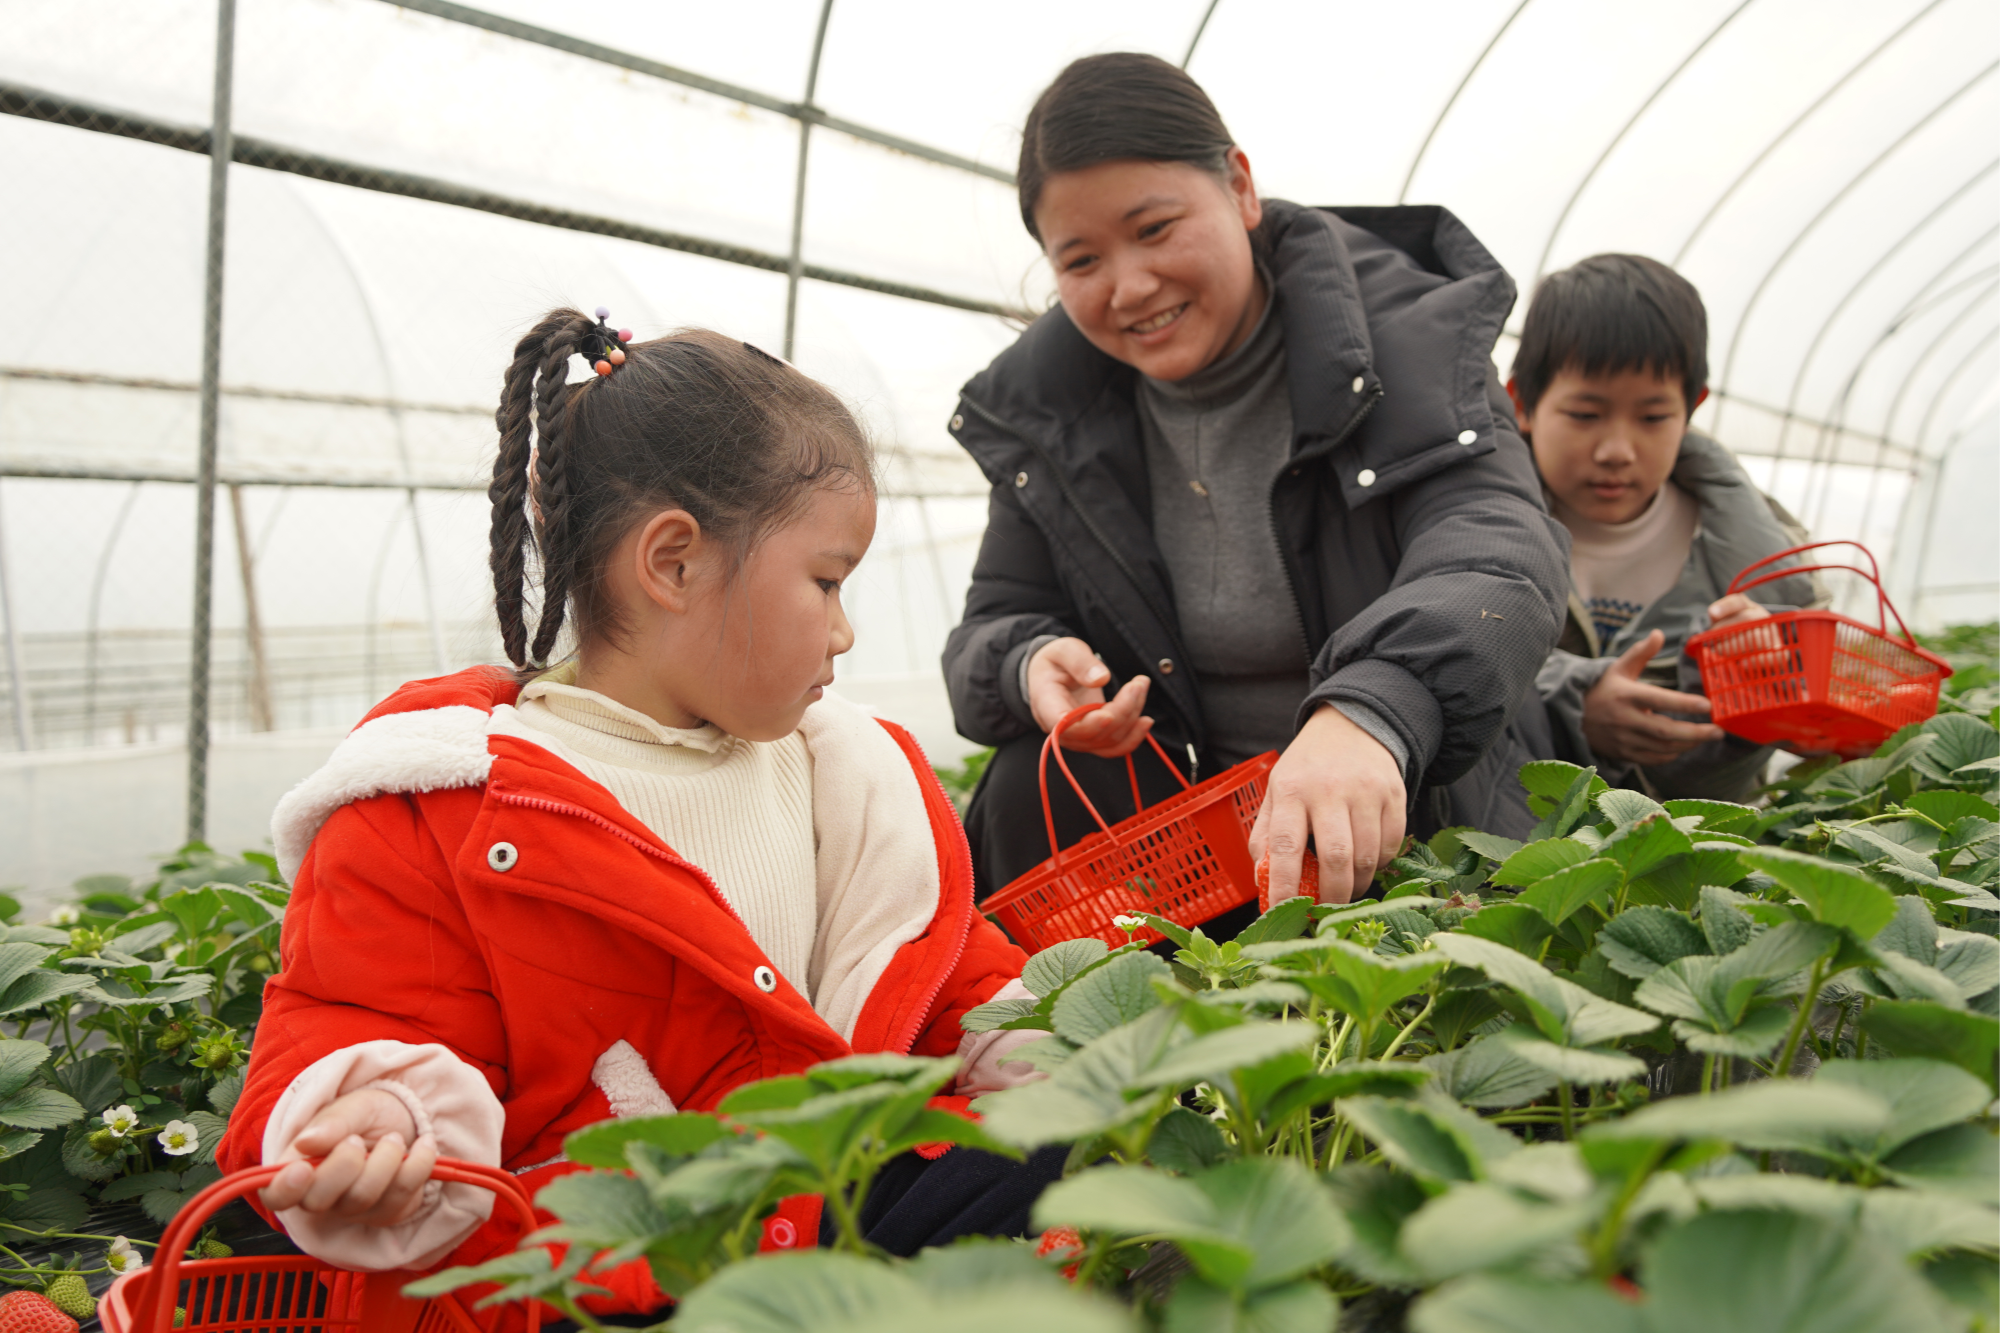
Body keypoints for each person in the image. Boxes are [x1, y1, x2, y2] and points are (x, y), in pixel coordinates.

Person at [216, 310, 1050, 1317]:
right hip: (609, 1273)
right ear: (672, 563)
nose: (842, 629)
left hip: (823, 1211)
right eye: (824, 581)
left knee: (1050, 1141)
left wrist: (1027, 1044)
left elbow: (941, 955)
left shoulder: (848, 775)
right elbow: (356, 1012)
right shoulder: (438, 806)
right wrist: (378, 1113)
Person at [943, 53, 1570, 909]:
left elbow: (1497, 554)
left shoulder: (1411, 341)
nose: (1130, 286)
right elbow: (991, 620)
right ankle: (1052, 1035)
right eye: (1082, 260)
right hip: (1200, 846)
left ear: (1240, 187)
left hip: (1413, 808)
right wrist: (1028, 662)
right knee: (1031, 783)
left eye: (1156, 228)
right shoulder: (1049, 418)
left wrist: (1376, 709)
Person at [1514, 254, 1818, 801]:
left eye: (1653, 418)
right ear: (1523, 403)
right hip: (1504, 845)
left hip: (1695, 850)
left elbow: (1825, 734)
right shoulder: (1473, 527)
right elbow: (1429, 666)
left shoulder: (1767, 548)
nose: (1616, 451)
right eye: (1585, 415)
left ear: (1692, 407)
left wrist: (1774, 687)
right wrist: (1571, 699)